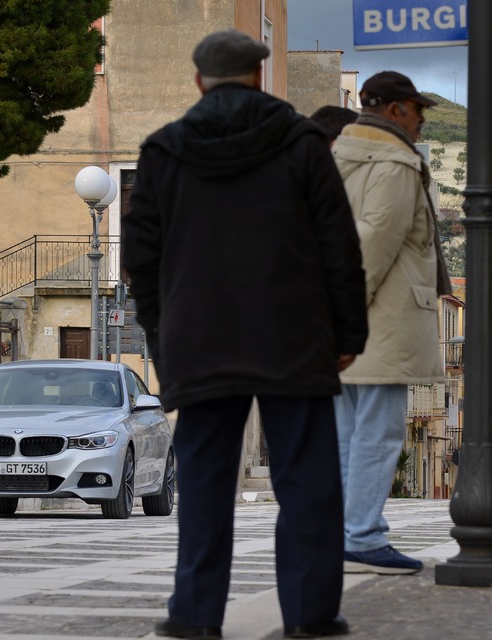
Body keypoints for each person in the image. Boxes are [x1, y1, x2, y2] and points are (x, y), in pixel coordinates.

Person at [121, 30, 368, 640]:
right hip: (293, 337)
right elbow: (339, 246)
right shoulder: (305, 143)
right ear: (258, 77)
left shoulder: (163, 151)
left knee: (204, 485)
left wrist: (161, 332)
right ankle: (311, 616)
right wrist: (348, 331)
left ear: (200, 81)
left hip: (199, 340)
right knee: (307, 484)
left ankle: (195, 616)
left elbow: (140, 259)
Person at [330, 71, 451, 575]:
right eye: (417, 109)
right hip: (377, 321)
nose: (422, 119)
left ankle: (338, 532)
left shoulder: (334, 155)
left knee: (343, 433)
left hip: (337, 317)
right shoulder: (398, 162)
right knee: (378, 434)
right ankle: (362, 538)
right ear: (396, 109)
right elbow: (374, 243)